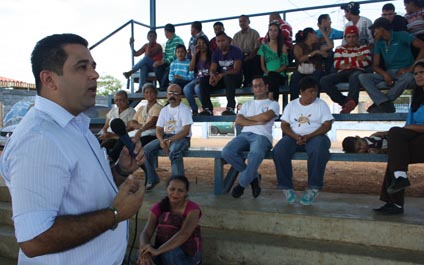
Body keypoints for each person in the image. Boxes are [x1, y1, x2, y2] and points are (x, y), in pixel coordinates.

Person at [0, 33, 145, 264]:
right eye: (81, 67)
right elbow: (35, 240)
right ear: (49, 80)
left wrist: (120, 171)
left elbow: (80, 192)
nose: (95, 74)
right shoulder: (39, 139)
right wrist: (115, 215)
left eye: (93, 66)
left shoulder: (75, 125)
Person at [373, 59, 424, 215]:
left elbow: (409, 128)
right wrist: (385, 134)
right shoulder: (416, 98)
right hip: (417, 140)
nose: (419, 76)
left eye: (422, 72)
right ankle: (399, 177)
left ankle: (394, 202)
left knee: (396, 154)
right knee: (396, 151)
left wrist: (400, 131)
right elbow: (406, 129)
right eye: (416, 74)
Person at [273, 77, 334, 205]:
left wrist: (309, 136)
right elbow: (284, 125)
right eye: (310, 91)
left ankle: (313, 187)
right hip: (294, 137)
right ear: (301, 92)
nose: (314, 94)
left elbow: (327, 125)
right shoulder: (292, 105)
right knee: (279, 150)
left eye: (315, 91)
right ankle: (286, 186)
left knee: (318, 149)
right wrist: (296, 137)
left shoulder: (321, 104)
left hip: (317, 136)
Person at [222, 76, 280, 198]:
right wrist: (257, 121)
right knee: (227, 152)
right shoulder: (247, 104)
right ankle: (253, 177)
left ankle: (241, 185)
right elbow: (238, 121)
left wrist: (247, 119)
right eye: (255, 86)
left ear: (266, 87)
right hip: (244, 135)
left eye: (260, 85)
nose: (258, 88)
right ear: (252, 89)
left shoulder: (273, 104)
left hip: (262, 136)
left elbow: (266, 118)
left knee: (255, 153)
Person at [358, 17, 424, 113]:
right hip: (389, 73)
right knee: (363, 77)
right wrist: (385, 74)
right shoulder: (379, 42)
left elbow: (422, 46)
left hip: (406, 73)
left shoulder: (402, 35)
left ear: (382, 29)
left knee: (408, 78)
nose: (374, 33)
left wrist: (411, 68)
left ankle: (383, 104)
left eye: (375, 29)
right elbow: (375, 65)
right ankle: (384, 103)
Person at [137, 175, 202, 265]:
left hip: (187, 254)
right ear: (167, 189)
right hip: (162, 251)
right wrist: (144, 251)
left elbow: (184, 233)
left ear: (186, 192)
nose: (175, 193)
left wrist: (158, 250)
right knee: (142, 256)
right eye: (172, 189)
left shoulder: (193, 209)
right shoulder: (158, 207)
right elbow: (146, 233)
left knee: (169, 254)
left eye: (180, 191)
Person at [143, 84, 193, 190]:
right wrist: (162, 141)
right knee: (146, 150)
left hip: (182, 138)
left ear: (180, 96)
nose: (172, 95)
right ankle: (152, 178)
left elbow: (185, 131)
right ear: (167, 95)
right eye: (170, 93)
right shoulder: (164, 110)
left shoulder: (185, 109)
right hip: (166, 137)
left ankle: (178, 184)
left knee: (174, 150)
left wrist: (169, 141)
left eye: (175, 93)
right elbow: (159, 129)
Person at [320, 25, 372, 114]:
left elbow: (367, 62)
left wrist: (347, 63)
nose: (351, 39)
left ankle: (352, 101)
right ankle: (346, 102)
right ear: (345, 38)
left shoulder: (364, 48)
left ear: (357, 37)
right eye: (349, 37)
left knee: (355, 76)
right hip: (343, 73)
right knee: (324, 80)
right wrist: (356, 59)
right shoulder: (339, 49)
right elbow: (337, 64)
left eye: (354, 36)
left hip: (357, 72)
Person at [108, 83, 163, 162]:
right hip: (139, 132)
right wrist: (141, 127)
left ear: (156, 94)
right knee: (122, 139)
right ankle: (111, 159)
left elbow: (153, 122)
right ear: (143, 94)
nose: (149, 94)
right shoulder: (141, 108)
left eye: (151, 92)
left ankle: (112, 159)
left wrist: (140, 129)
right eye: (146, 92)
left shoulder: (159, 107)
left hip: (152, 134)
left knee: (128, 141)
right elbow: (131, 123)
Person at [198, 31, 243, 116]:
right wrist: (212, 76)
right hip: (221, 79)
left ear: (228, 40)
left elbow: (236, 69)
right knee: (203, 80)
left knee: (228, 77)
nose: (221, 43)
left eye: (223, 41)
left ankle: (230, 108)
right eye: (218, 41)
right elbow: (213, 68)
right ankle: (207, 109)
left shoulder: (236, 51)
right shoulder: (216, 53)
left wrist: (221, 75)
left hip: (235, 80)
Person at [289, 27, 332, 100]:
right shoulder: (298, 46)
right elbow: (300, 59)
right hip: (302, 71)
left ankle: (315, 99)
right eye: (315, 34)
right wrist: (314, 53)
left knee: (317, 75)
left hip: (315, 70)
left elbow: (330, 46)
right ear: (310, 35)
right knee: (294, 77)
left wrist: (322, 31)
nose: (317, 36)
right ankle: (294, 102)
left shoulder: (317, 46)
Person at [257, 22, 289, 101]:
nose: (272, 32)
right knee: (268, 80)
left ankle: (271, 99)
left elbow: (284, 65)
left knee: (273, 78)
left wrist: (274, 72)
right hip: (267, 75)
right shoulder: (263, 47)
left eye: (275, 30)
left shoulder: (283, 47)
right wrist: (268, 72)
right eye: (270, 30)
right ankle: (273, 101)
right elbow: (262, 65)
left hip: (279, 75)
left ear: (279, 33)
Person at [183, 36, 211, 115]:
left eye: (203, 43)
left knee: (198, 88)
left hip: (207, 79)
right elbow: (191, 68)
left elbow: (213, 70)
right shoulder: (197, 56)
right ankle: (194, 109)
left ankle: (207, 108)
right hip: (198, 79)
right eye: (199, 44)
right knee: (186, 89)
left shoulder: (211, 54)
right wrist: (194, 54)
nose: (201, 45)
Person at [232, 15, 262, 87]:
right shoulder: (236, 35)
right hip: (240, 57)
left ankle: (250, 82)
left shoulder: (255, 33)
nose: (242, 23)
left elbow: (257, 48)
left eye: (244, 21)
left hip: (252, 55)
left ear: (249, 22)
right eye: (240, 21)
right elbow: (233, 49)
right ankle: (238, 83)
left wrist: (249, 57)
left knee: (252, 61)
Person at [154, 23, 185, 90]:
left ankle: (163, 86)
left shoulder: (178, 40)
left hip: (176, 62)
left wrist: (164, 61)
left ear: (168, 32)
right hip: (168, 62)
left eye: (165, 32)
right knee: (157, 67)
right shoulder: (168, 42)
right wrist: (162, 61)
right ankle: (163, 86)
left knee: (169, 68)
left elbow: (176, 55)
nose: (165, 34)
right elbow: (165, 55)